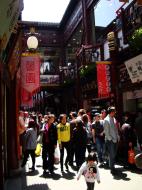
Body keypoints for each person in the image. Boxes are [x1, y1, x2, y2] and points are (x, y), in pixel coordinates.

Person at [103, 106, 120, 175]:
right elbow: (106, 132)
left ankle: (112, 166)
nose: (115, 113)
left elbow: (115, 128)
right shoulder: (106, 120)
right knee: (112, 154)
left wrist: (118, 136)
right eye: (114, 112)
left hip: (115, 139)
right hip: (110, 140)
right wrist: (112, 139)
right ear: (111, 112)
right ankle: (112, 169)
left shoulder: (113, 118)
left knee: (113, 154)